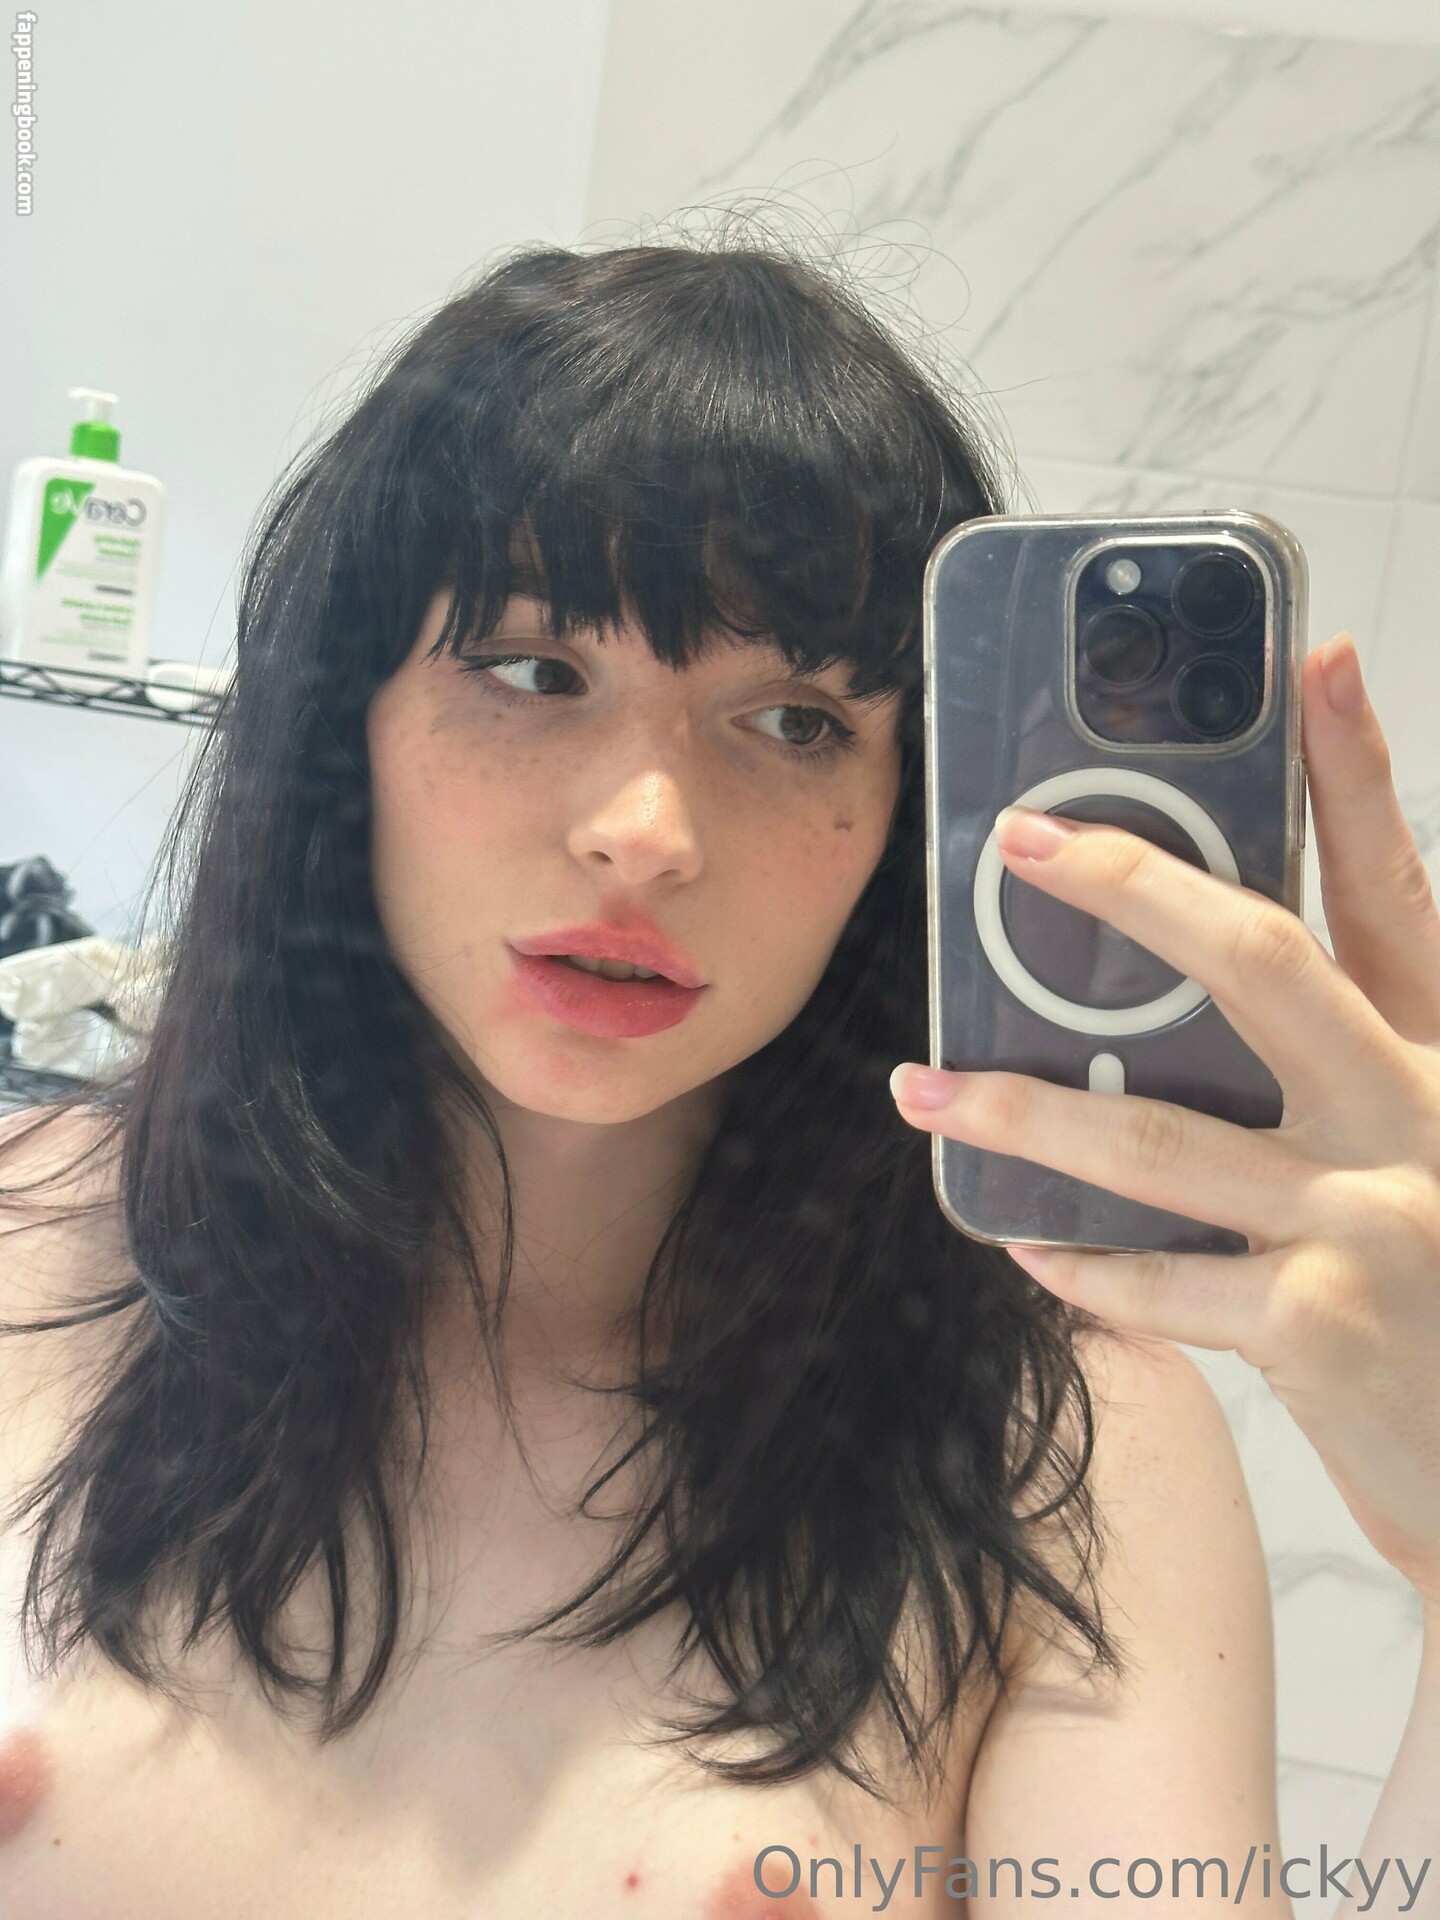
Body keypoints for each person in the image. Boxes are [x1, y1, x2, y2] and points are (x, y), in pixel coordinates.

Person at [0, 238, 1437, 1919]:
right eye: (533, 670)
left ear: (905, 814)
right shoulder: (22, 1254)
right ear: (340, 725)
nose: (647, 833)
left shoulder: (1068, 1449)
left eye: (799, 720)